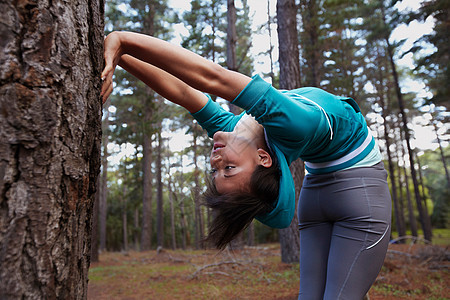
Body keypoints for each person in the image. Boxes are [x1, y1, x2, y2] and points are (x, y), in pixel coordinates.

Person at [101, 31, 392, 300]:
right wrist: (121, 41)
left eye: (216, 171)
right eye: (228, 168)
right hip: (359, 195)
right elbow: (212, 77)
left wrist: (122, 58)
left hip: (325, 194)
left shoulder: (239, 134)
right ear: (264, 159)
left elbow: (185, 95)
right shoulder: (292, 124)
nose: (215, 161)